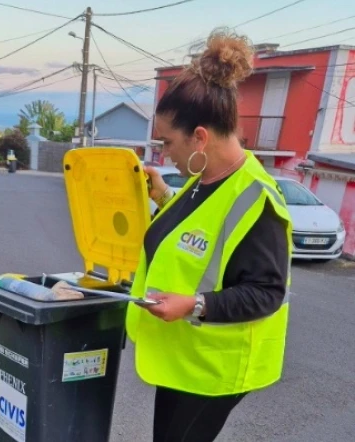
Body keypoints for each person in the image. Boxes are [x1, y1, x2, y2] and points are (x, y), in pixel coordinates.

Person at [126, 28, 293, 442]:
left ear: (199, 137)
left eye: (167, 143)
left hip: (215, 367)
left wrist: (193, 305)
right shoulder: (203, 179)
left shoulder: (257, 199)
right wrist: (162, 195)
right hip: (184, 358)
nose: (164, 154)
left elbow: (267, 292)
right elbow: (198, 234)